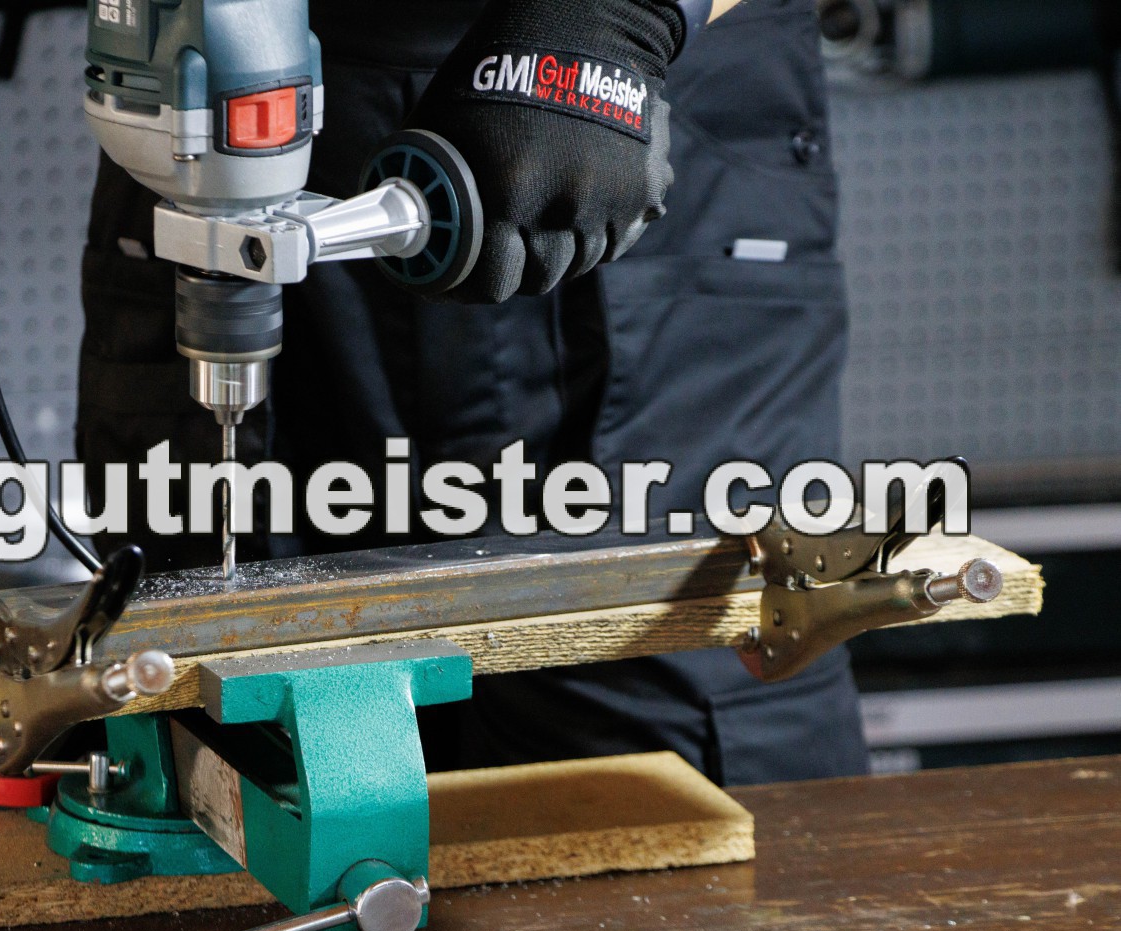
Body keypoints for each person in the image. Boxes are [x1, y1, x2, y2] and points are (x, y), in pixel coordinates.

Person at [75, 0, 869, 786]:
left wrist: (620, 20)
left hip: (617, 101)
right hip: (217, 120)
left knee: (670, 779)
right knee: (218, 735)